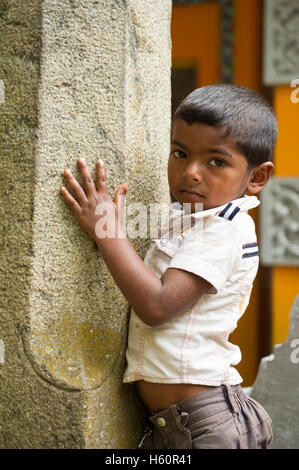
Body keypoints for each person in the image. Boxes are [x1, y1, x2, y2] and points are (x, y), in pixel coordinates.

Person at [60, 84, 277, 449]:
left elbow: (157, 306)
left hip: (207, 425)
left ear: (256, 178)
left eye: (216, 161)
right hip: (176, 425)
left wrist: (108, 231)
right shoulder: (189, 217)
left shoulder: (224, 227)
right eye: (180, 153)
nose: (190, 172)